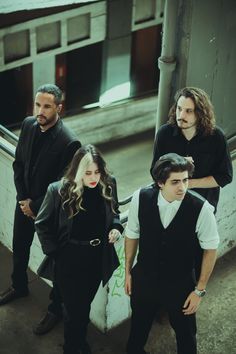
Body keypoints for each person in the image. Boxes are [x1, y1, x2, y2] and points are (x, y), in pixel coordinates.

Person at [0, 84, 81, 334]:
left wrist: (35, 205)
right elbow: (19, 165)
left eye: (47, 106)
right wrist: (24, 199)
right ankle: (19, 286)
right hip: (25, 203)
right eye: (38, 104)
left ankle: (55, 310)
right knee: (20, 247)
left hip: (50, 213)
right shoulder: (27, 125)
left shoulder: (69, 141)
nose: (40, 110)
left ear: (59, 108)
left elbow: (61, 185)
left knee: (56, 261)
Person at [125, 153, 219, 354]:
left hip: (181, 285)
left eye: (185, 180)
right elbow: (132, 234)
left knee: (186, 336)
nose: (183, 187)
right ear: (160, 182)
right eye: (175, 182)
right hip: (144, 279)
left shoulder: (201, 209)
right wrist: (127, 272)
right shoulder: (140, 198)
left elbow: (210, 249)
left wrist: (199, 290)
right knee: (137, 330)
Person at [35, 144, 123, 354]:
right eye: (87, 173)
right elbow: (42, 223)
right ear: (77, 171)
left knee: (83, 306)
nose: (93, 178)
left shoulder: (108, 184)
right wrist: (56, 253)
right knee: (76, 310)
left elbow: (115, 212)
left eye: (97, 172)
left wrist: (116, 228)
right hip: (69, 257)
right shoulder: (58, 190)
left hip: (97, 256)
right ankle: (73, 346)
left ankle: (77, 342)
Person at [151, 87, 233, 210]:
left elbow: (225, 176)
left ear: (200, 114)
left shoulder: (216, 137)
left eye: (189, 111)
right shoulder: (164, 134)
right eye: (179, 109)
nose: (181, 115)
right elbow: (154, 172)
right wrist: (175, 163)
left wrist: (189, 183)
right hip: (170, 204)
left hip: (203, 206)